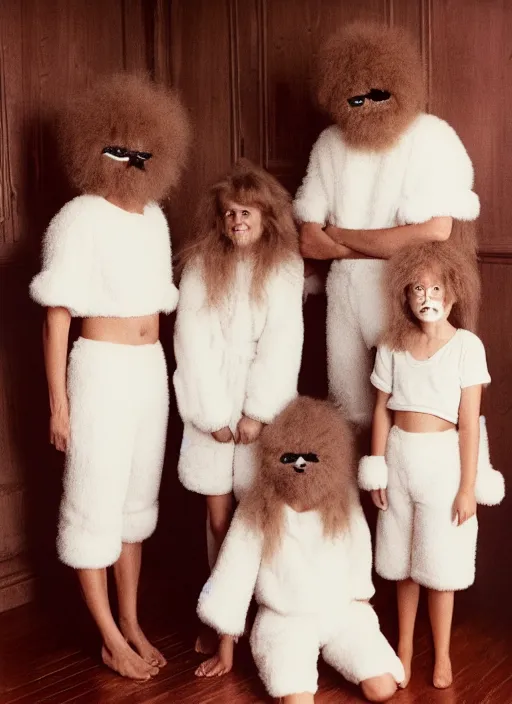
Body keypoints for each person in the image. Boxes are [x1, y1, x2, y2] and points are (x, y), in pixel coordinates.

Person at [29, 73, 190, 681]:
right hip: (97, 373)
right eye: (118, 149)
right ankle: (106, 636)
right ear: (95, 148)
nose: (130, 161)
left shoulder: (154, 218)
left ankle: (131, 621)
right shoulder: (78, 218)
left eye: (141, 151)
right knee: (92, 506)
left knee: (132, 507)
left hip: (149, 374)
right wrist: (59, 405)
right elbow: (56, 319)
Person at [294, 22, 480, 429]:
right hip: (344, 302)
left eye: (377, 93)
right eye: (355, 97)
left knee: (408, 411)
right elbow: (309, 241)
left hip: (402, 292)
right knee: (348, 412)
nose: (367, 105)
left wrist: (340, 238)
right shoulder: (329, 144)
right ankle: (353, 492)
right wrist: (358, 246)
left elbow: (435, 230)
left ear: (399, 84)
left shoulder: (428, 136)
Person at [173, 159, 304, 677]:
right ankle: (221, 615)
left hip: (257, 407)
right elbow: (191, 340)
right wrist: (211, 414)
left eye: (246, 213)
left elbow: (283, 342)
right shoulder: (202, 264)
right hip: (211, 404)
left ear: (266, 216)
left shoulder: (285, 266)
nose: (237, 222)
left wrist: (256, 412)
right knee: (217, 518)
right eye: (229, 214)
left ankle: (254, 619)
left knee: (255, 520)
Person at [358, 241, 504, 689]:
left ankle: (441, 654)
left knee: (439, 565)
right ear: (405, 295)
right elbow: (382, 409)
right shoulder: (392, 345)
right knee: (403, 561)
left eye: (436, 288)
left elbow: (469, 421)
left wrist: (467, 486)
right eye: (417, 288)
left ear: (453, 294)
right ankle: (403, 646)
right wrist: (378, 466)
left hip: (443, 462)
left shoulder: (466, 347)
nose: (427, 297)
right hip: (400, 456)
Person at [198, 396, 404, 702]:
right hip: (286, 620)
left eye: (311, 456)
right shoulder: (259, 507)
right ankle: (300, 662)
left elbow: (360, 549)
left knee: (383, 688)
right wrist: (225, 647)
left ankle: (335, 656)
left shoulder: (341, 501)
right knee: (298, 700)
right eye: (290, 456)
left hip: (339, 612)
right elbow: (234, 573)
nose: (300, 464)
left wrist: (361, 601)